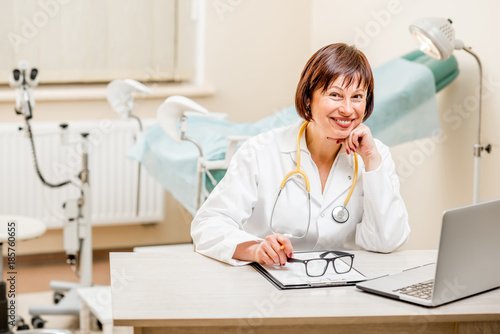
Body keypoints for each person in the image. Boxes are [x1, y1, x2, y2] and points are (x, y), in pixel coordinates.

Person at [191, 43, 410, 266]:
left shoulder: (375, 155)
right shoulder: (261, 151)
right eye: (335, 95)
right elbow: (208, 225)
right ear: (308, 98)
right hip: (271, 281)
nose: (347, 109)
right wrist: (256, 250)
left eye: (357, 97)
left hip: (343, 286)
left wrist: (371, 159)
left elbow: (387, 241)